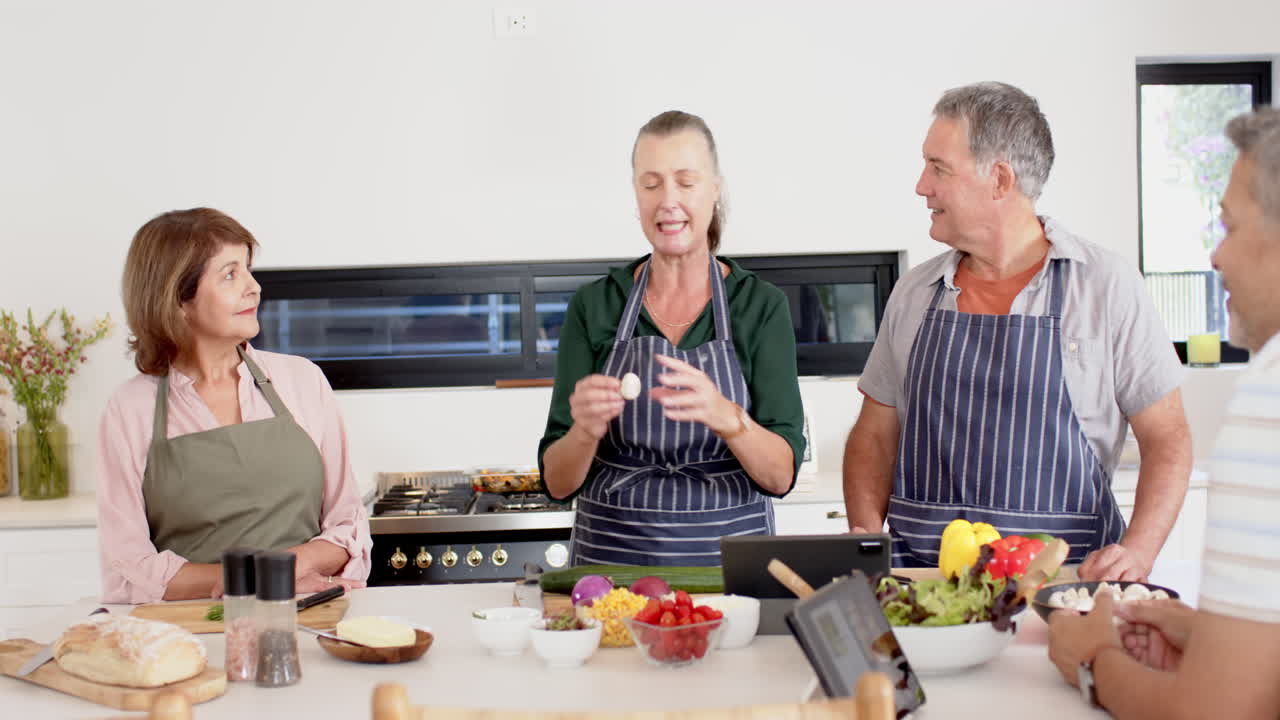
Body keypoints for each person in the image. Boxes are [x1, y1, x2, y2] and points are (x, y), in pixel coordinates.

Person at [842, 82, 1192, 580]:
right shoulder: (916, 292)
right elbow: (874, 436)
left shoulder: (1104, 286)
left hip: (1062, 584)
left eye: (938, 167)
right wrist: (862, 532)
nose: (922, 186)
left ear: (1000, 179)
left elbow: (1169, 439)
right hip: (921, 584)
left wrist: (1138, 551)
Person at [1047, 107, 1280, 718]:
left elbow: (1213, 713)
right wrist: (1208, 634)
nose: (1216, 257)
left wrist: (1090, 657)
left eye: (1228, 227)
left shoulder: (1273, 394)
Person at [538, 110, 806, 566]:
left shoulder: (759, 306)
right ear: (635, 193)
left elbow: (780, 477)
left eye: (686, 181)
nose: (668, 200)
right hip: (613, 570)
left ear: (715, 188)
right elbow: (558, 483)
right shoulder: (595, 306)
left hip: (729, 574)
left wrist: (727, 417)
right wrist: (585, 431)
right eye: (651, 183)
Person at [97, 208, 372, 603]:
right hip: (192, 632)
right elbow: (130, 562)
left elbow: (349, 526)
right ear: (178, 300)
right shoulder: (130, 408)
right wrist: (253, 580)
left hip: (312, 615)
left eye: (248, 269)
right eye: (230, 274)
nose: (254, 287)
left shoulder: (302, 381)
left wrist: (290, 567)